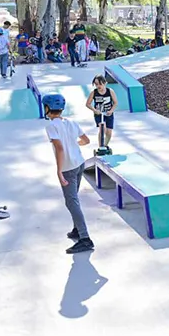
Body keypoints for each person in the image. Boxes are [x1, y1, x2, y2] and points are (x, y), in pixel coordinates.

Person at [42, 93, 95, 255]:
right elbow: (86, 141)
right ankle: (77, 229)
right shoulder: (71, 122)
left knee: (71, 202)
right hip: (80, 164)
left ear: (47, 108)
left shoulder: (51, 126)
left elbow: (59, 149)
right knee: (74, 199)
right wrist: (73, 144)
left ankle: (85, 239)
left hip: (68, 168)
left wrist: (59, 171)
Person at [85, 75, 118, 151]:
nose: (98, 86)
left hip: (108, 113)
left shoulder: (110, 91)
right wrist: (94, 110)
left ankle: (105, 145)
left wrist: (111, 111)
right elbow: (88, 104)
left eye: (100, 84)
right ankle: (100, 146)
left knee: (109, 132)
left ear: (105, 83)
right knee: (102, 129)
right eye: (96, 84)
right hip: (99, 114)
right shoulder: (94, 92)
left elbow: (115, 103)